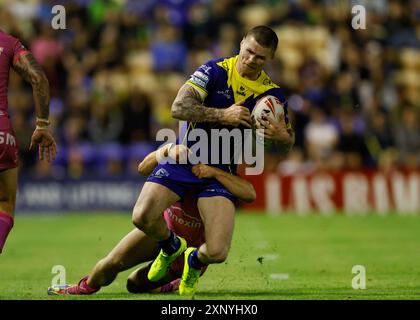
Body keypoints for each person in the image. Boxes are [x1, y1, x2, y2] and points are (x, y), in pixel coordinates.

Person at [131, 25, 295, 295]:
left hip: (220, 171)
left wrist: (283, 136)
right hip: (185, 160)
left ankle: (194, 261)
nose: (251, 59)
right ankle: (171, 247)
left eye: (260, 57)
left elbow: (286, 142)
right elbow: (178, 108)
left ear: (271, 58)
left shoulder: (272, 95)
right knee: (142, 217)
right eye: (249, 51)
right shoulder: (214, 70)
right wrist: (224, 115)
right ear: (241, 43)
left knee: (218, 252)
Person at [47, 143, 256, 295]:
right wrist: (165, 150)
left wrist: (214, 172)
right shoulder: (181, 159)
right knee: (109, 264)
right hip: (164, 234)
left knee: (135, 284)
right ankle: (82, 287)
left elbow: (249, 193)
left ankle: (174, 280)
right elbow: (142, 168)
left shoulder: (220, 178)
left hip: (192, 250)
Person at [0, 30, 57, 254]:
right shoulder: (8, 42)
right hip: (2, 131)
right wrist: (42, 125)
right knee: (4, 203)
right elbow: (39, 78)